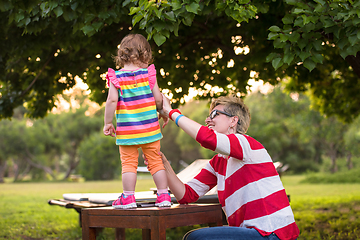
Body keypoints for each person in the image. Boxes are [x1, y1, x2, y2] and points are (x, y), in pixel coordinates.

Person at [147, 94, 299, 239]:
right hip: (251, 233)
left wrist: (172, 113)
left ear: (234, 120)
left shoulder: (246, 144)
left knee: (196, 238)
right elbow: (186, 195)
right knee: (193, 237)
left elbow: (207, 138)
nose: (208, 120)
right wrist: (164, 164)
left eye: (215, 115)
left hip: (272, 233)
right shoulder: (218, 162)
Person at [103, 33, 170, 209]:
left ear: (122, 55)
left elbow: (111, 101)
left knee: (128, 165)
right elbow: (157, 99)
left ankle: (128, 198)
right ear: (146, 54)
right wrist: (162, 112)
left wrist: (108, 122)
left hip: (127, 132)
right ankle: (164, 195)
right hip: (150, 129)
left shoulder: (116, 77)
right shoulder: (149, 74)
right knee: (155, 162)